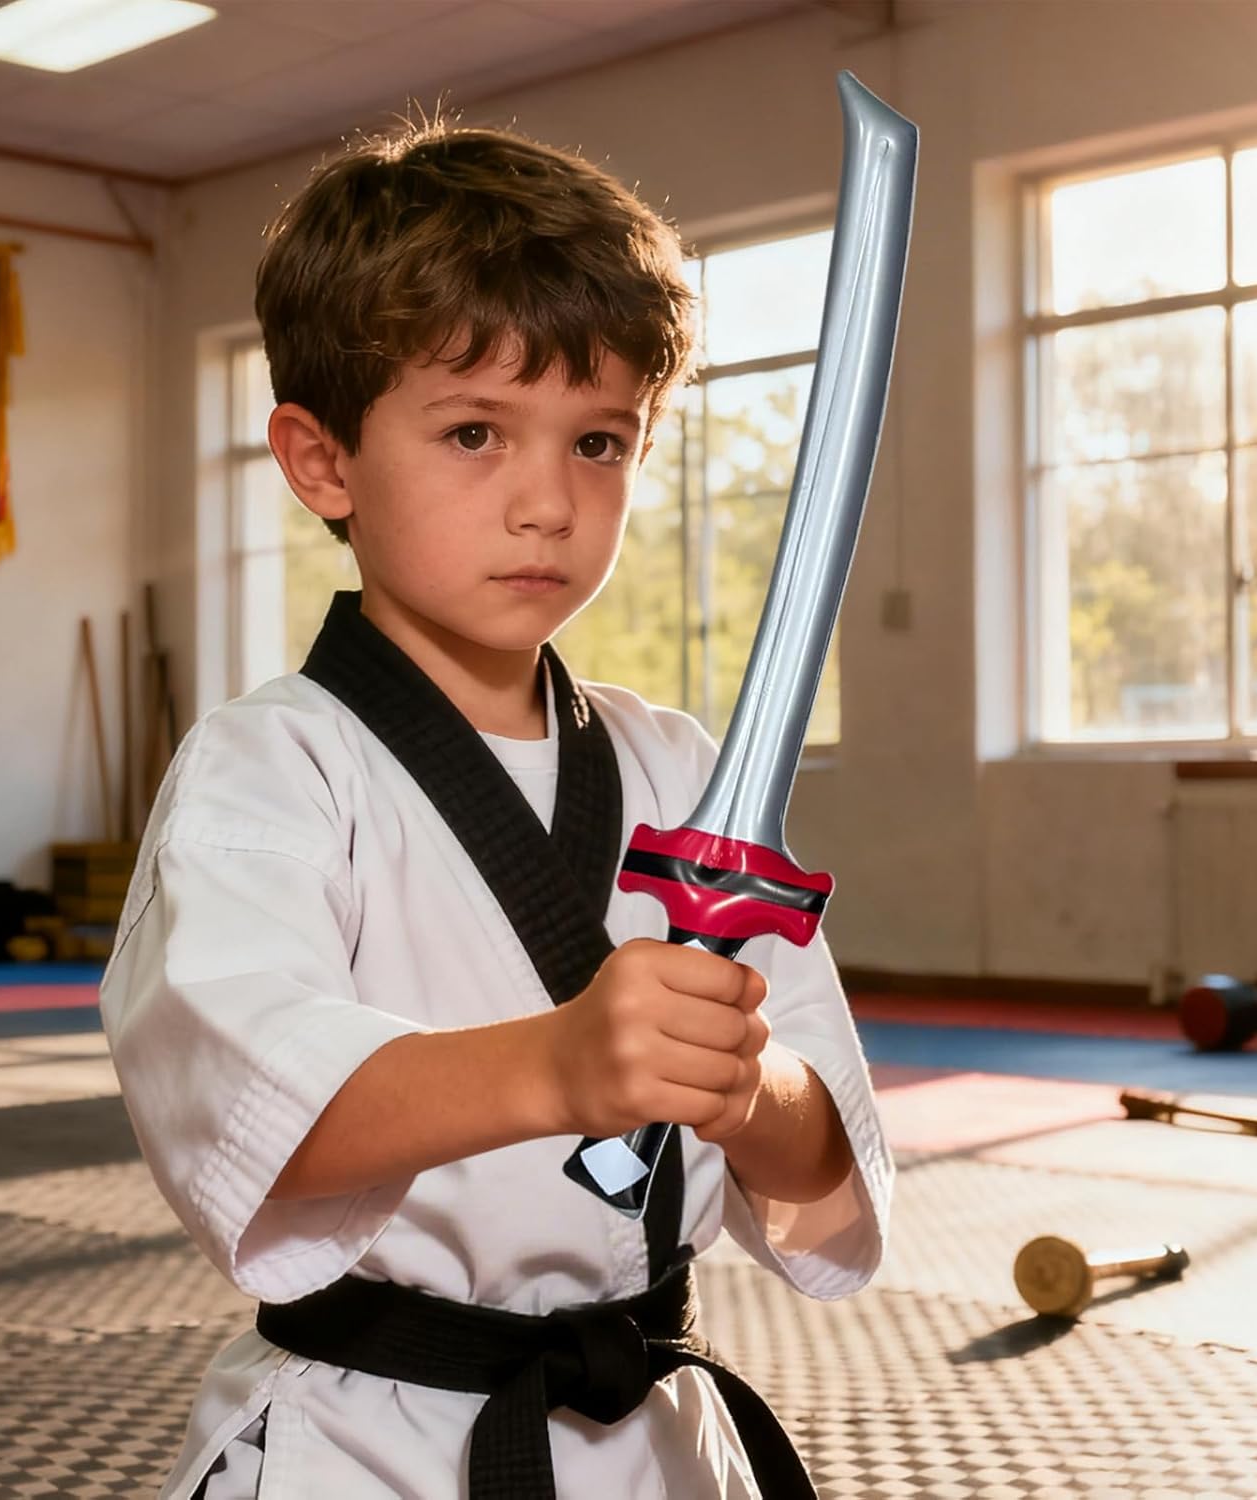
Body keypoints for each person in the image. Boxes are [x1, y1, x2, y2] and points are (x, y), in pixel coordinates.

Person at [100, 116, 893, 1500]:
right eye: (475, 432)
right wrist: (562, 1067)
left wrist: (744, 1086)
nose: (549, 503)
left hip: (656, 1436)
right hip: (369, 1441)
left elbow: (823, 1146)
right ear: (322, 461)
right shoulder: (273, 769)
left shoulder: (684, 767)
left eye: (600, 442)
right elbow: (253, 1108)